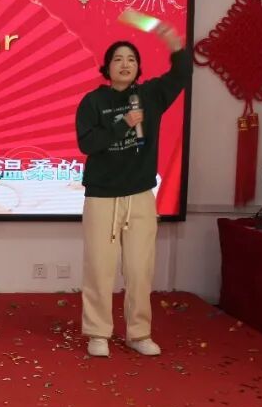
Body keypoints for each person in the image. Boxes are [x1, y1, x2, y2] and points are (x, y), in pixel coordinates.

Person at [75, 22, 189, 358]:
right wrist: (122, 123)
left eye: (131, 59)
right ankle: (98, 333)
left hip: (139, 195)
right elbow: (88, 143)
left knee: (140, 269)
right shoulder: (93, 101)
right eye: (118, 59)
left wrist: (174, 46)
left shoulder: (150, 96)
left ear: (138, 67)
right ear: (107, 67)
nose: (125, 64)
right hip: (102, 196)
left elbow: (181, 75)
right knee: (99, 268)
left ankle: (139, 333)